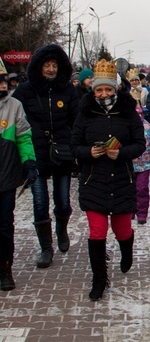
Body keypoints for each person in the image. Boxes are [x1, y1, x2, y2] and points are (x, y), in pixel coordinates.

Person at [70, 59, 146, 301]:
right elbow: (74, 145)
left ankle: (127, 252)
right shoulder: (85, 112)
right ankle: (99, 280)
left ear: (116, 88)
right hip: (94, 180)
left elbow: (140, 144)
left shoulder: (128, 112)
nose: (103, 93)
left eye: (108, 89)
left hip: (122, 179)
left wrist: (121, 153)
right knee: (97, 232)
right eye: (99, 89)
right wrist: (88, 153)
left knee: (122, 229)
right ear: (93, 90)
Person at [12, 44, 79, 268]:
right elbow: (17, 121)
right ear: (39, 67)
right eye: (46, 65)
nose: (50, 69)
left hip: (62, 152)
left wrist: (74, 145)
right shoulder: (25, 91)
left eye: (54, 65)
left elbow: (76, 121)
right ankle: (46, 248)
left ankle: (61, 229)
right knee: (40, 201)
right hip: (36, 152)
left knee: (63, 201)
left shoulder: (68, 90)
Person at [0, 58, 38, 291]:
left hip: (5, 176)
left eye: (3, 81)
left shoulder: (14, 105)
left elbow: (23, 136)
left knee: (4, 225)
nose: (2, 86)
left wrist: (29, 161)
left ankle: (5, 268)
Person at [132, 105, 150, 225]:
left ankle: (142, 213)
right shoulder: (127, 126)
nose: (138, 116)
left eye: (140, 114)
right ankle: (130, 210)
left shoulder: (148, 127)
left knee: (142, 188)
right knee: (130, 189)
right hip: (129, 163)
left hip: (145, 163)